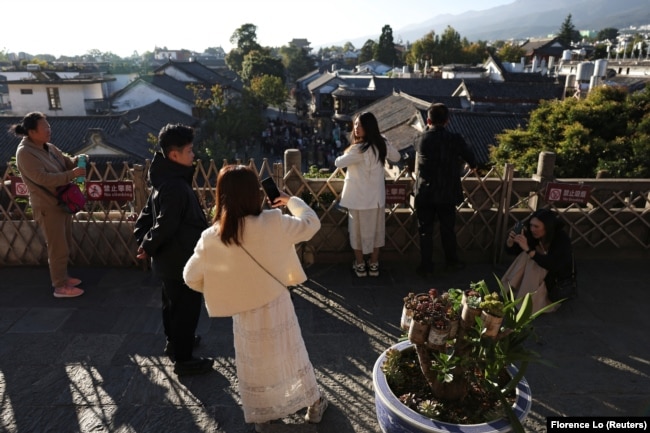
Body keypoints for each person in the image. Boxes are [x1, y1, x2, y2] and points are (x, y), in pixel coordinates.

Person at [182, 165, 328, 432]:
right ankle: (314, 405)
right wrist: (290, 200)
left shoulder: (212, 237)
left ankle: (264, 416)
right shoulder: (274, 222)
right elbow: (311, 224)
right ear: (255, 193)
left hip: (245, 310)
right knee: (291, 354)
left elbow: (190, 277)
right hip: (277, 304)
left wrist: (226, 285)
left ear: (221, 195)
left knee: (256, 363)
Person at [133, 123, 212, 376]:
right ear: (174, 155)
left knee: (171, 303)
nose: (193, 155)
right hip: (180, 257)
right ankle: (184, 359)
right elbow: (165, 222)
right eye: (189, 151)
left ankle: (175, 342)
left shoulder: (163, 178)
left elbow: (148, 215)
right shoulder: (176, 185)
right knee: (186, 307)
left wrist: (145, 241)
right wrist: (147, 244)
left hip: (168, 258)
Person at [13, 112, 86, 298]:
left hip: (61, 203)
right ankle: (60, 286)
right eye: (45, 128)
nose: (49, 131)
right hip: (46, 206)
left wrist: (78, 162)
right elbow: (43, 178)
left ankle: (63, 277)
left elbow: (66, 163)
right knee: (57, 246)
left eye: (49, 127)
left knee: (65, 242)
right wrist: (72, 174)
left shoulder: (49, 147)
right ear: (31, 132)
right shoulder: (25, 153)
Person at [414, 103, 477, 278]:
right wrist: (469, 165)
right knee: (448, 229)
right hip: (447, 192)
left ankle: (426, 266)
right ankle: (452, 262)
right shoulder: (455, 139)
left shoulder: (420, 139)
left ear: (428, 120)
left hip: (425, 192)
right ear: (447, 121)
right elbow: (472, 159)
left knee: (425, 230)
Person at [334, 112, 400, 278]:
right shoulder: (381, 145)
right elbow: (397, 157)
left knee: (356, 232)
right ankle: (374, 264)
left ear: (368, 128)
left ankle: (361, 265)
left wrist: (351, 149)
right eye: (355, 124)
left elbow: (338, 162)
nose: (356, 128)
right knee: (377, 231)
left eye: (360, 125)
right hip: (376, 199)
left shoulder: (357, 149)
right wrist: (385, 141)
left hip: (357, 199)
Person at [501, 209, 574, 313]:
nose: (532, 229)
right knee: (524, 256)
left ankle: (527, 302)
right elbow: (515, 251)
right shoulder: (532, 235)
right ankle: (511, 291)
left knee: (532, 263)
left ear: (547, 227)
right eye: (531, 225)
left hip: (554, 279)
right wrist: (510, 242)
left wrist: (529, 251)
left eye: (536, 227)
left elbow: (553, 265)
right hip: (535, 274)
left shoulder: (561, 239)